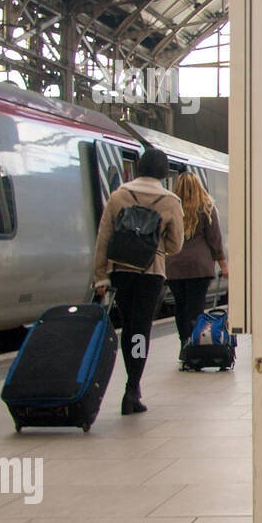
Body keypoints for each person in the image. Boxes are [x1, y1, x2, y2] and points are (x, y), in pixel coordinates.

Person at [93, 149, 184, 414]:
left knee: (129, 327)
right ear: (164, 172)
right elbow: (176, 244)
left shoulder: (119, 195)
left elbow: (103, 239)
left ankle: (131, 381)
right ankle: (133, 387)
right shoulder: (170, 201)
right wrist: (155, 248)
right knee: (141, 330)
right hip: (150, 273)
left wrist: (101, 276)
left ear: (139, 167)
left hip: (122, 271)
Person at [166, 171, 228, 363]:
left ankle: (183, 344)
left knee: (180, 306)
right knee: (196, 307)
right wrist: (223, 265)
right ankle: (195, 344)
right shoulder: (207, 207)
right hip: (199, 267)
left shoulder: (172, 208)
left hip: (174, 266)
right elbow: (215, 240)